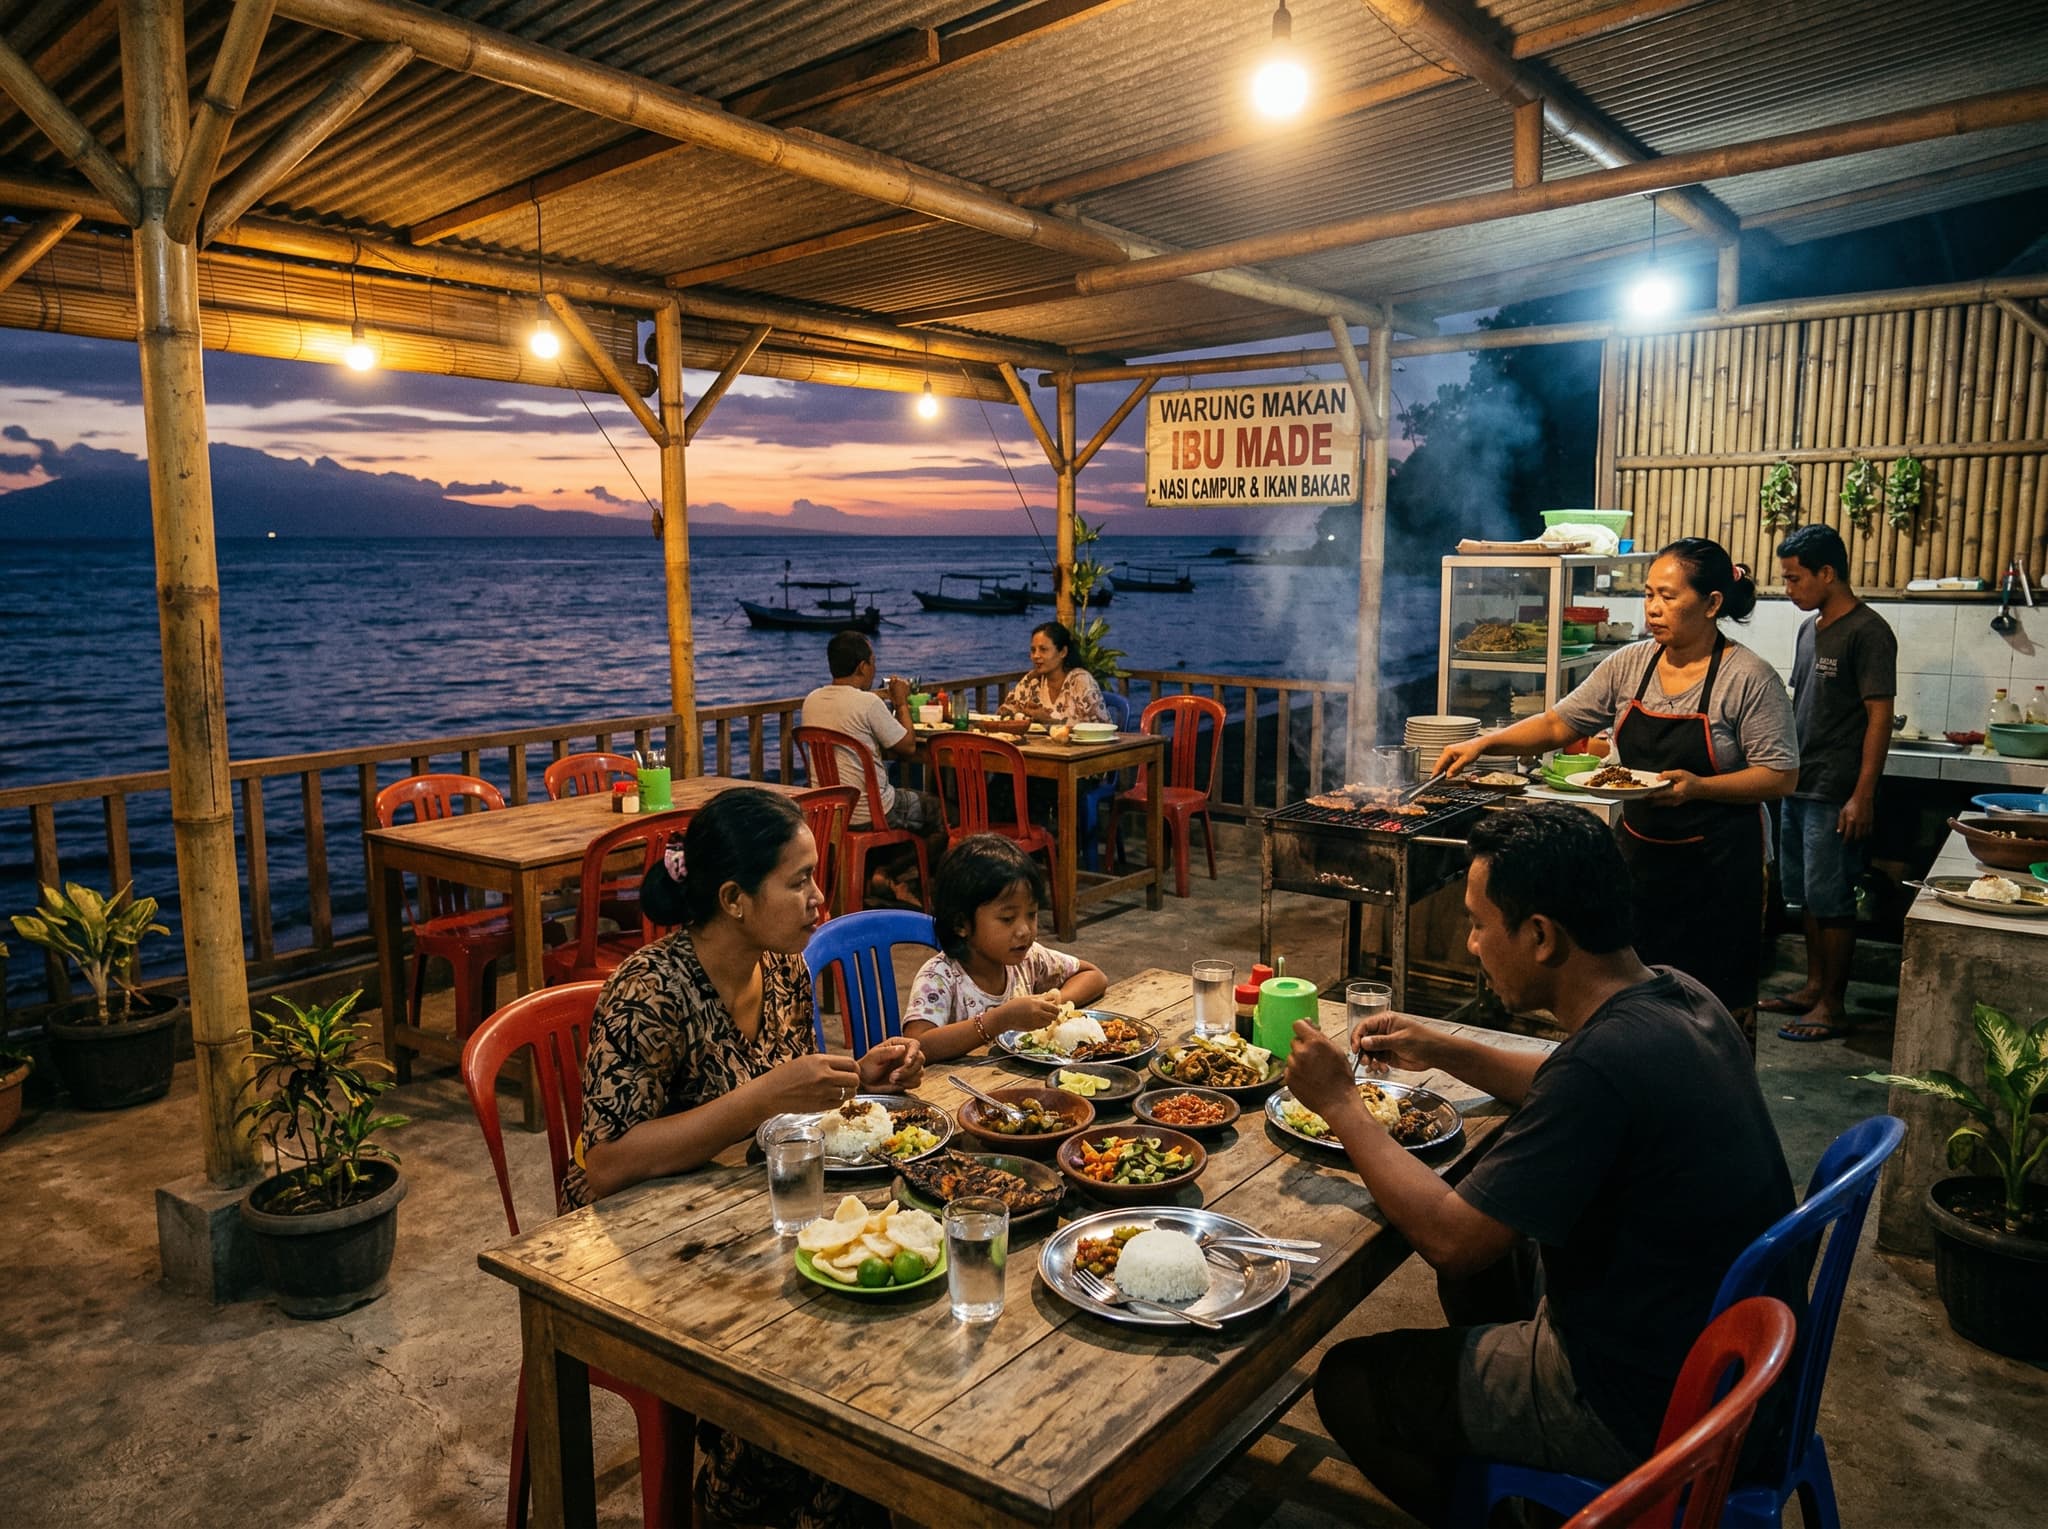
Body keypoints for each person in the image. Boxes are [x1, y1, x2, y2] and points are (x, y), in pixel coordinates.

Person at [1286, 805, 1795, 1525]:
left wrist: (1340, 1102)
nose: (1469, 945)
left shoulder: (1607, 1063)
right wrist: (1444, 1046)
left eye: (1476, 923)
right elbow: (1563, 1078)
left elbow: (1452, 1238)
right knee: (1492, 1252)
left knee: (1351, 1382)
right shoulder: (1680, 994)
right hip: (1718, 1359)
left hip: (1644, 1404)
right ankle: (1510, 1459)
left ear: (1540, 936)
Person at [564, 788, 923, 1529]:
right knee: (803, 1377)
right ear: (732, 897)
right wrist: (761, 1098)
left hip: (741, 1215)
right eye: (798, 881)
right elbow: (605, 1163)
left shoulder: (783, 968)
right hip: (634, 1242)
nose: (819, 899)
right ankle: (744, 1499)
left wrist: (857, 1079)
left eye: (815, 876)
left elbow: (788, 1107)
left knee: (878, 1327)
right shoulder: (648, 990)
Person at [1438, 537, 1798, 1047]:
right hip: (1641, 861)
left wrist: (1699, 787)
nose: (1653, 608)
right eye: (1649, 594)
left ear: (1712, 603)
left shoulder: (1749, 678)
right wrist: (1483, 742)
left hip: (1722, 872)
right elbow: (1558, 724)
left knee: (1713, 1007)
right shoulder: (1630, 664)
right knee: (1634, 998)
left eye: (1669, 597)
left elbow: (1780, 775)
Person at [1766, 524, 1897, 1042]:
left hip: (1836, 790)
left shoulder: (1869, 632)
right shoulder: (1809, 628)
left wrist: (1862, 794)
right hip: (1799, 781)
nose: (1788, 589)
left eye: (1795, 579)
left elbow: (1880, 716)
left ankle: (1833, 1006)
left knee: (1833, 898)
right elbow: (1804, 704)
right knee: (1806, 897)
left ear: (1828, 573)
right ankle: (1813, 988)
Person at [901, 834, 1108, 1061]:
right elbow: (917, 1046)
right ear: (961, 924)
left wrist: (1056, 1002)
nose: (1024, 930)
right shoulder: (940, 977)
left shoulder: (1029, 958)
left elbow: (1094, 976)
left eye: (1031, 914)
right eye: (1007, 918)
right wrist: (998, 1020)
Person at [800, 628, 940, 905]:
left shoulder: (811, 700)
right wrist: (901, 702)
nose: (874, 668)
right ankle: (894, 875)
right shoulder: (868, 703)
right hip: (872, 810)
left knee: (909, 801)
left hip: (830, 810)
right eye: (873, 662)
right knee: (943, 814)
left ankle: (878, 877)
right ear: (863, 666)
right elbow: (908, 746)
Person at [999, 620, 1109, 725]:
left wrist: (1049, 721)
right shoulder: (1032, 680)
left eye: (1043, 649)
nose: (1036, 656)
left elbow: (1103, 727)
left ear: (1063, 652)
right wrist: (1019, 713)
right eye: (1033, 650)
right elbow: (1005, 711)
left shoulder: (1080, 681)